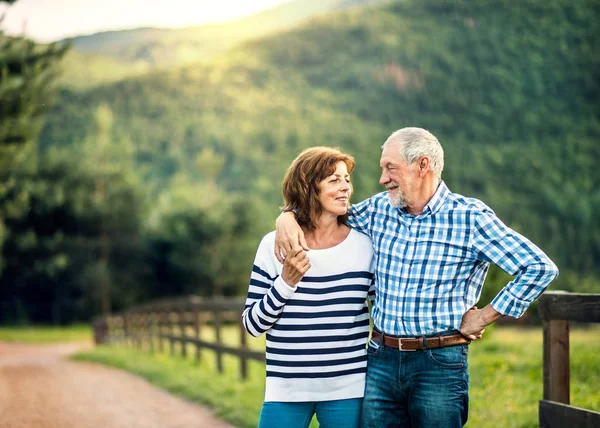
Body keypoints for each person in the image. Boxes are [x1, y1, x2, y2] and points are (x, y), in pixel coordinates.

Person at [275, 127, 559, 428]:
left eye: (390, 168)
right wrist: (287, 215)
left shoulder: (470, 217)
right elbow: (323, 211)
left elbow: (539, 268)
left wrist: (485, 316)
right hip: (380, 361)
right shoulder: (378, 209)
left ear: (423, 165)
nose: (382, 178)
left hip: (438, 364)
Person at [242, 147, 375, 428]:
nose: (345, 188)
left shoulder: (365, 247)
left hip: (347, 390)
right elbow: (252, 325)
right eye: (334, 180)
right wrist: (286, 282)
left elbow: (388, 308)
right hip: (285, 390)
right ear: (308, 188)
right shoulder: (273, 245)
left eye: (347, 180)